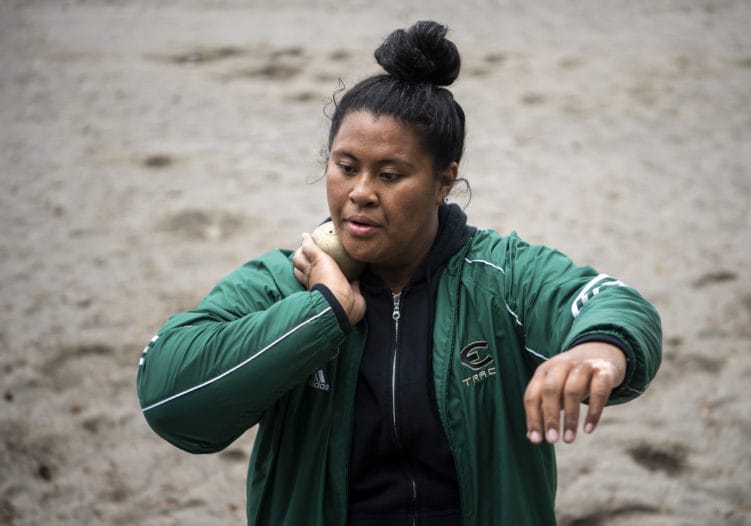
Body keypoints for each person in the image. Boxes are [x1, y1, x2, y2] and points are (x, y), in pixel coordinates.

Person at [137, 20, 662, 526]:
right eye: (345, 167)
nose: (361, 192)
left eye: (390, 174)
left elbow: (613, 302)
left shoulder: (499, 275)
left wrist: (598, 351)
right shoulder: (286, 280)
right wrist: (321, 313)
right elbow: (167, 395)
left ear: (443, 181)